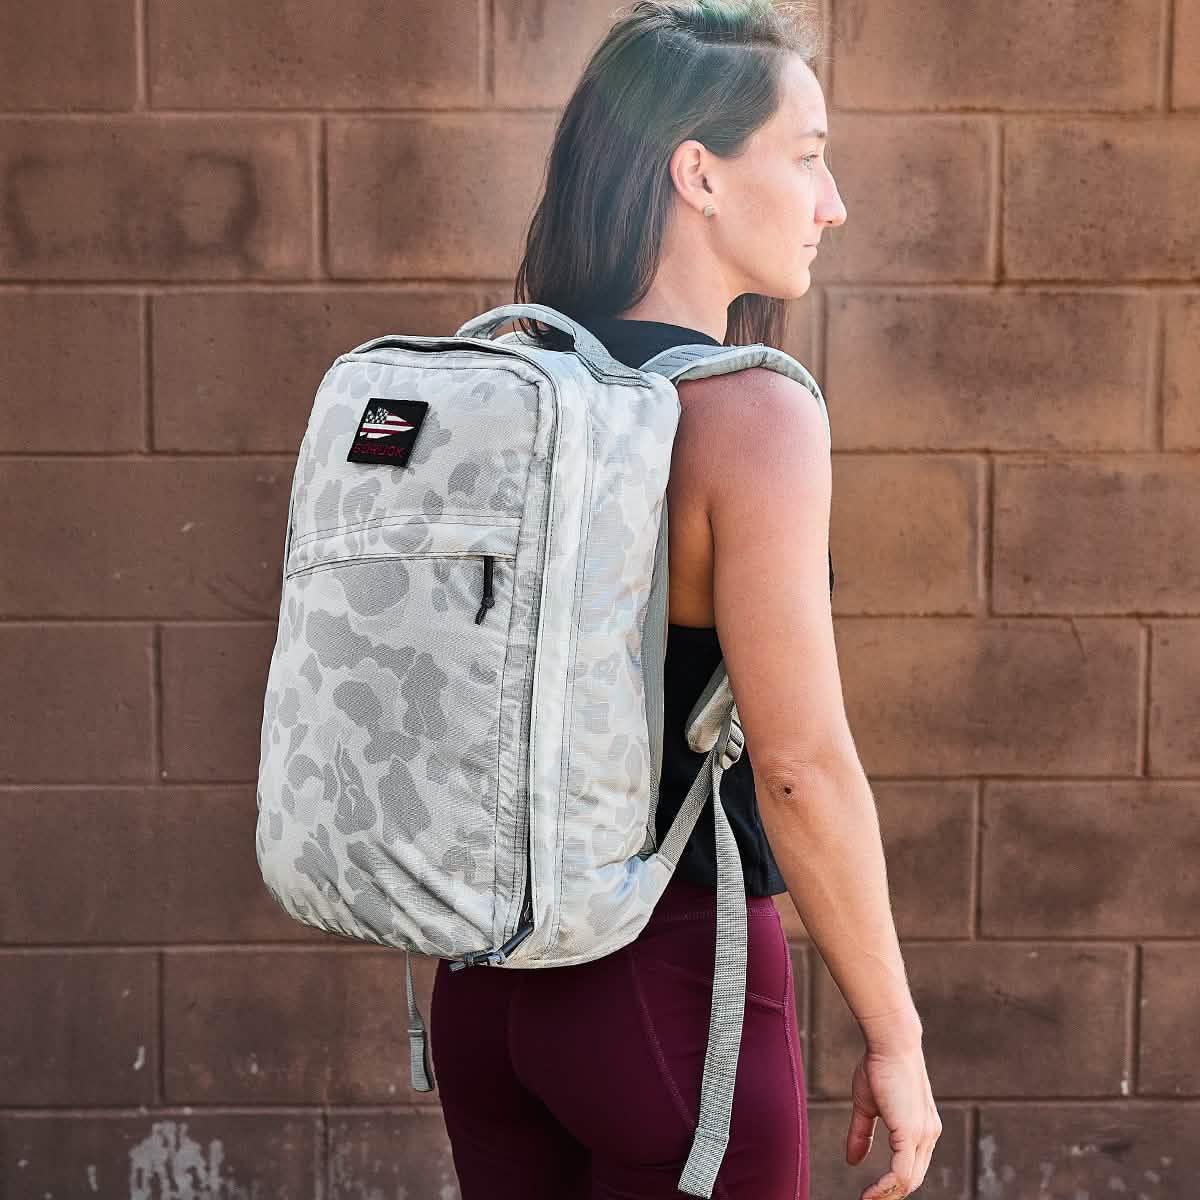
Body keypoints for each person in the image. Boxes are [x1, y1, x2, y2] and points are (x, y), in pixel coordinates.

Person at [429, 3, 942, 1198]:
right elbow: (800, 768)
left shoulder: (507, 375)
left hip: (481, 979)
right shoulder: (751, 415)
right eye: (807, 157)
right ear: (699, 175)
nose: (832, 203)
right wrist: (897, 1035)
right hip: (665, 982)